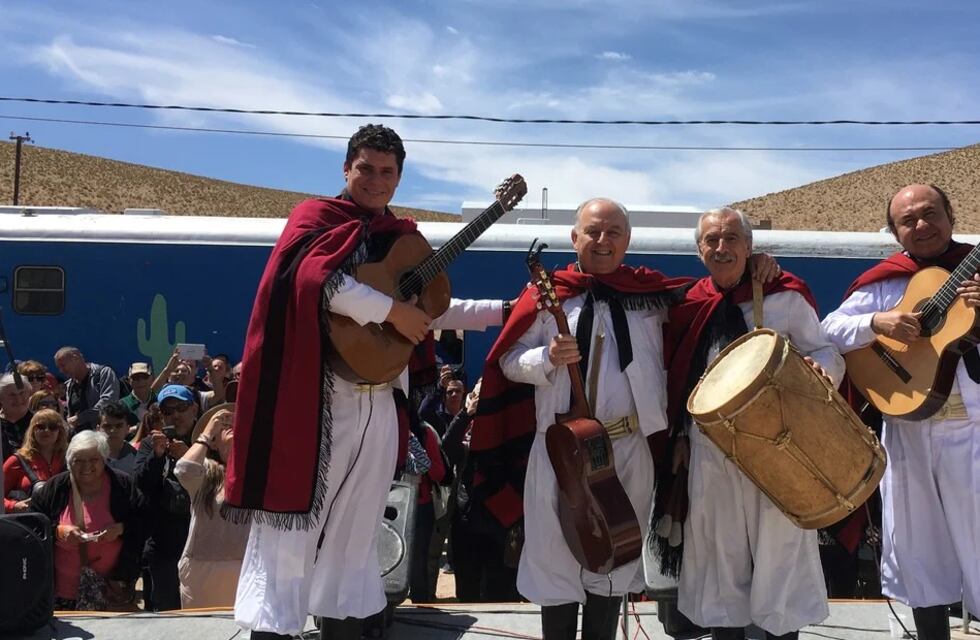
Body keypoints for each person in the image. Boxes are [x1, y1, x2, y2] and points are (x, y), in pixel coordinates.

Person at [225, 124, 506, 640]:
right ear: (346, 168)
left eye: (388, 171)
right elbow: (315, 280)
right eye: (366, 169)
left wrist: (505, 312)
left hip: (381, 402)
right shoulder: (315, 219)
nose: (377, 180)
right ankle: (273, 629)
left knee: (358, 531)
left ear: (399, 177)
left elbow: (429, 310)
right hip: (317, 399)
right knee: (293, 530)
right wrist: (391, 310)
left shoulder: (400, 239)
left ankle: (345, 627)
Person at [488, 198, 694, 640]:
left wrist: (759, 266)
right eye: (594, 232)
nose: (603, 241)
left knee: (614, 559)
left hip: (627, 450)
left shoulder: (650, 297)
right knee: (556, 559)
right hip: (560, 453)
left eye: (613, 232)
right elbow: (507, 360)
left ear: (627, 240)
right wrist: (545, 358)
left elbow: (708, 304)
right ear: (574, 238)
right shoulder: (548, 294)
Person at [657, 207, 844, 640]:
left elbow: (824, 351)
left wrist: (820, 373)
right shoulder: (688, 303)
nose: (721, 248)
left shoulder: (784, 294)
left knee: (780, 556)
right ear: (698, 249)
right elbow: (680, 376)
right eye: (712, 240)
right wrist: (681, 435)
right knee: (721, 561)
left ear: (749, 246)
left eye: (731, 239)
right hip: (710, 452)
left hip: (779, 448)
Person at [822, 184, 980, 640]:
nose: (921, 225)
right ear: (894, 232)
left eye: (930, 213)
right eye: (908, 220)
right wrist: (877, 322)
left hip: (973, 427)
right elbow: (829, 329)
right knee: (915, 546)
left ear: (952, 215)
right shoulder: (888, 282)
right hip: (908, 431)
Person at [30, 430, 144, 610]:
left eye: (94, 460)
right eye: (79, 461)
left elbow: (144, 523)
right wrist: (57, 531)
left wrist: (121, 528)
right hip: (62, 591)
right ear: (69, 462)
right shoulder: (54, 489)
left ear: (104, 459)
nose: (86, 466)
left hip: (113, 588)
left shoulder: (122, 485)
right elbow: (32, 526)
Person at [174, 403, 248, 608]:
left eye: (237, 421)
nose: (230, 425)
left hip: (247, 570)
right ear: (214, 443)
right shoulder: (207, 474)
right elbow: (184, 469)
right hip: (201, 571)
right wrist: (208, 431)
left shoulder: (258, 473)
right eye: (223, 425)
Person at [134, 384, 199, 611]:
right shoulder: (151, 444)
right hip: (164, 545)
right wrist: (157, 456)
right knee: (166, 610)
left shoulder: (206, 443)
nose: (176, 415)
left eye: (181, 408)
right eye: (168, 411)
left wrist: (189, 457)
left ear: (194, 409)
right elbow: (141, 485)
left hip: (201, 543)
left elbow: (220, 482)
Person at [3, 409, 68, 512]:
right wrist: (13, 506)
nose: (47, 430)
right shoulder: (17, 461)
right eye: (41, 426)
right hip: (29, 523)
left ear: (60, 431)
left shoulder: (69, 460)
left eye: (52, 427)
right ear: (32, 430)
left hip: (64, 524)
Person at [54, 347, 120, 431]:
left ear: (75, 358)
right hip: (78, 439)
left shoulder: (103, 373)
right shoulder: (69, 385)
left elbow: (109, 403)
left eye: (63, 365)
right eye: (59, 367)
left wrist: (80, 418)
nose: (61, 371)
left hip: (102, 435)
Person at [98, 401, 139, 476]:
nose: (113, 430)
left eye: (118, 426)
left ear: (127, 429)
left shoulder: (136, 459)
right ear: (98, 429)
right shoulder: (89, 456)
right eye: (107, 426)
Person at [0, 372, 33, 456]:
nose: (18, 399)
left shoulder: (42, 422)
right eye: (12, 395)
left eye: (22, 393)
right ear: (1, 398)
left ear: (29, 394)